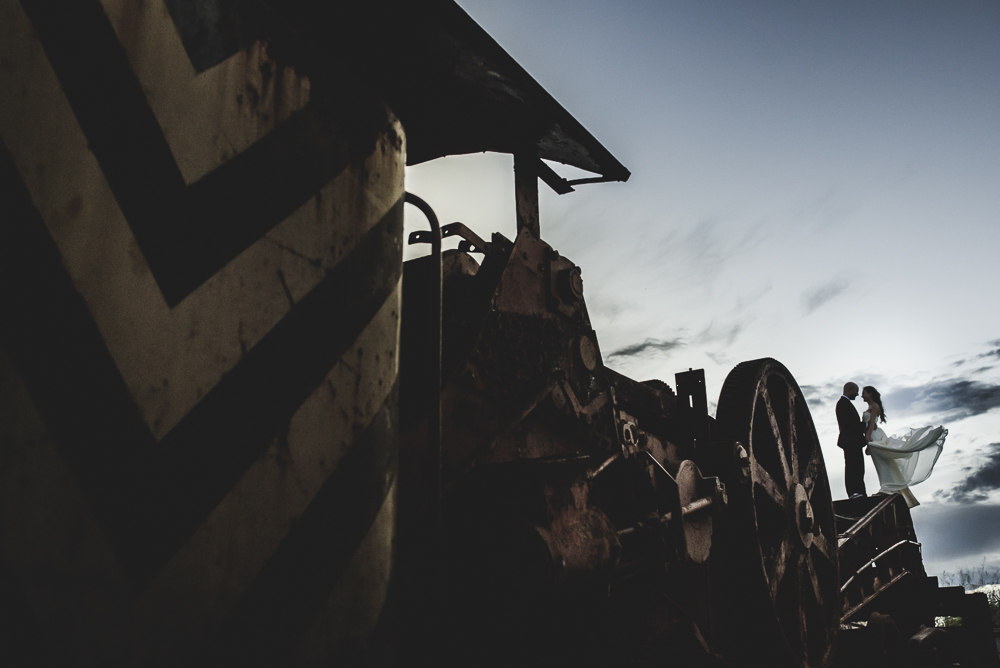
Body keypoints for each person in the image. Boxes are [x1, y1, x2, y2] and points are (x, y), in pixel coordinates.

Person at [861, 385, 947, 508]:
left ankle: (887, 487)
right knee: (882, 462)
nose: (862, 395)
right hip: (873, 435)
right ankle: (888, 486)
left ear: (870, 394)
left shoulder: (874, 406)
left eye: (864, 393)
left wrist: (868, 438)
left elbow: (871, 425)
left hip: (874, 435)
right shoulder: (870, 406)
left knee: (882, 462)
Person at [836, 382, 867, 498]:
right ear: (849, 390)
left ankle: (859, 491)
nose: (857, 394)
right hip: (851, 441)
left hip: (851, 441)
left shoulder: (844, 403)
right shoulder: (843, 404)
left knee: (857, 467)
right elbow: (851, 424)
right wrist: (866, 425)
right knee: (853, 467)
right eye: (856, 391)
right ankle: (854, 492)